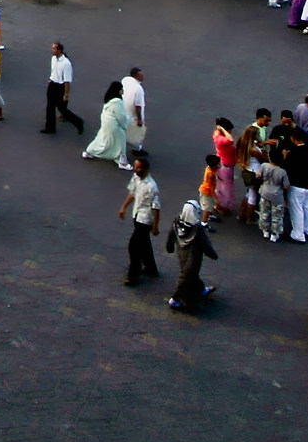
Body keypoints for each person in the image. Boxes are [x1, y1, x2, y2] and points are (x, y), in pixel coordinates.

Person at [166, 198, 218, 313]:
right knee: (186, 276)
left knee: (190, 274)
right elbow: (205, 244)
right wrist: (213, 255)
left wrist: (169, 247)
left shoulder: (177, 222)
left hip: (181, 254)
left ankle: (200, 289)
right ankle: (175, 299)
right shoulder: (197, 229)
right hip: (194, 256)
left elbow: (171, 235)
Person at [118, 154, 161, 286]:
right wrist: (124, 207)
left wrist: (155, 226)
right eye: (135, 167)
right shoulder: (136, 178)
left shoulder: (152, 186)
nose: (135, 170)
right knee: (144, 245)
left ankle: (133, 276)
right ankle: (151, 268)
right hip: (137, 216)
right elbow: (133, 193)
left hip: (145, 220)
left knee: (134, 247)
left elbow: (156, 208)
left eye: (138, 168)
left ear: (146, 169)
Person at [83, 80, 129, 166]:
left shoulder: (109, 98)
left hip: (106, 121)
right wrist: (125, 125)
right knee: (120, 140)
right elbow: (121, 116)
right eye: (121, 89)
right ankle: (122, 161)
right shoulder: (117, 102)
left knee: (102, 138)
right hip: (113, 124)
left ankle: (90, 151)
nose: (123, 91)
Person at [43, 42, 82, 135]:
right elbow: (54, 71)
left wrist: (66, 94)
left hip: (60, 87)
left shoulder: (66, 63)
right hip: (52, 84)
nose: (52, 50)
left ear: (59, 50)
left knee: (62, 109)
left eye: (54, 49)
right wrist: (51, 79)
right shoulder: (53, 59)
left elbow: (67, 81)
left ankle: (78, 122)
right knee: (50, 107)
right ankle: (50, 127)